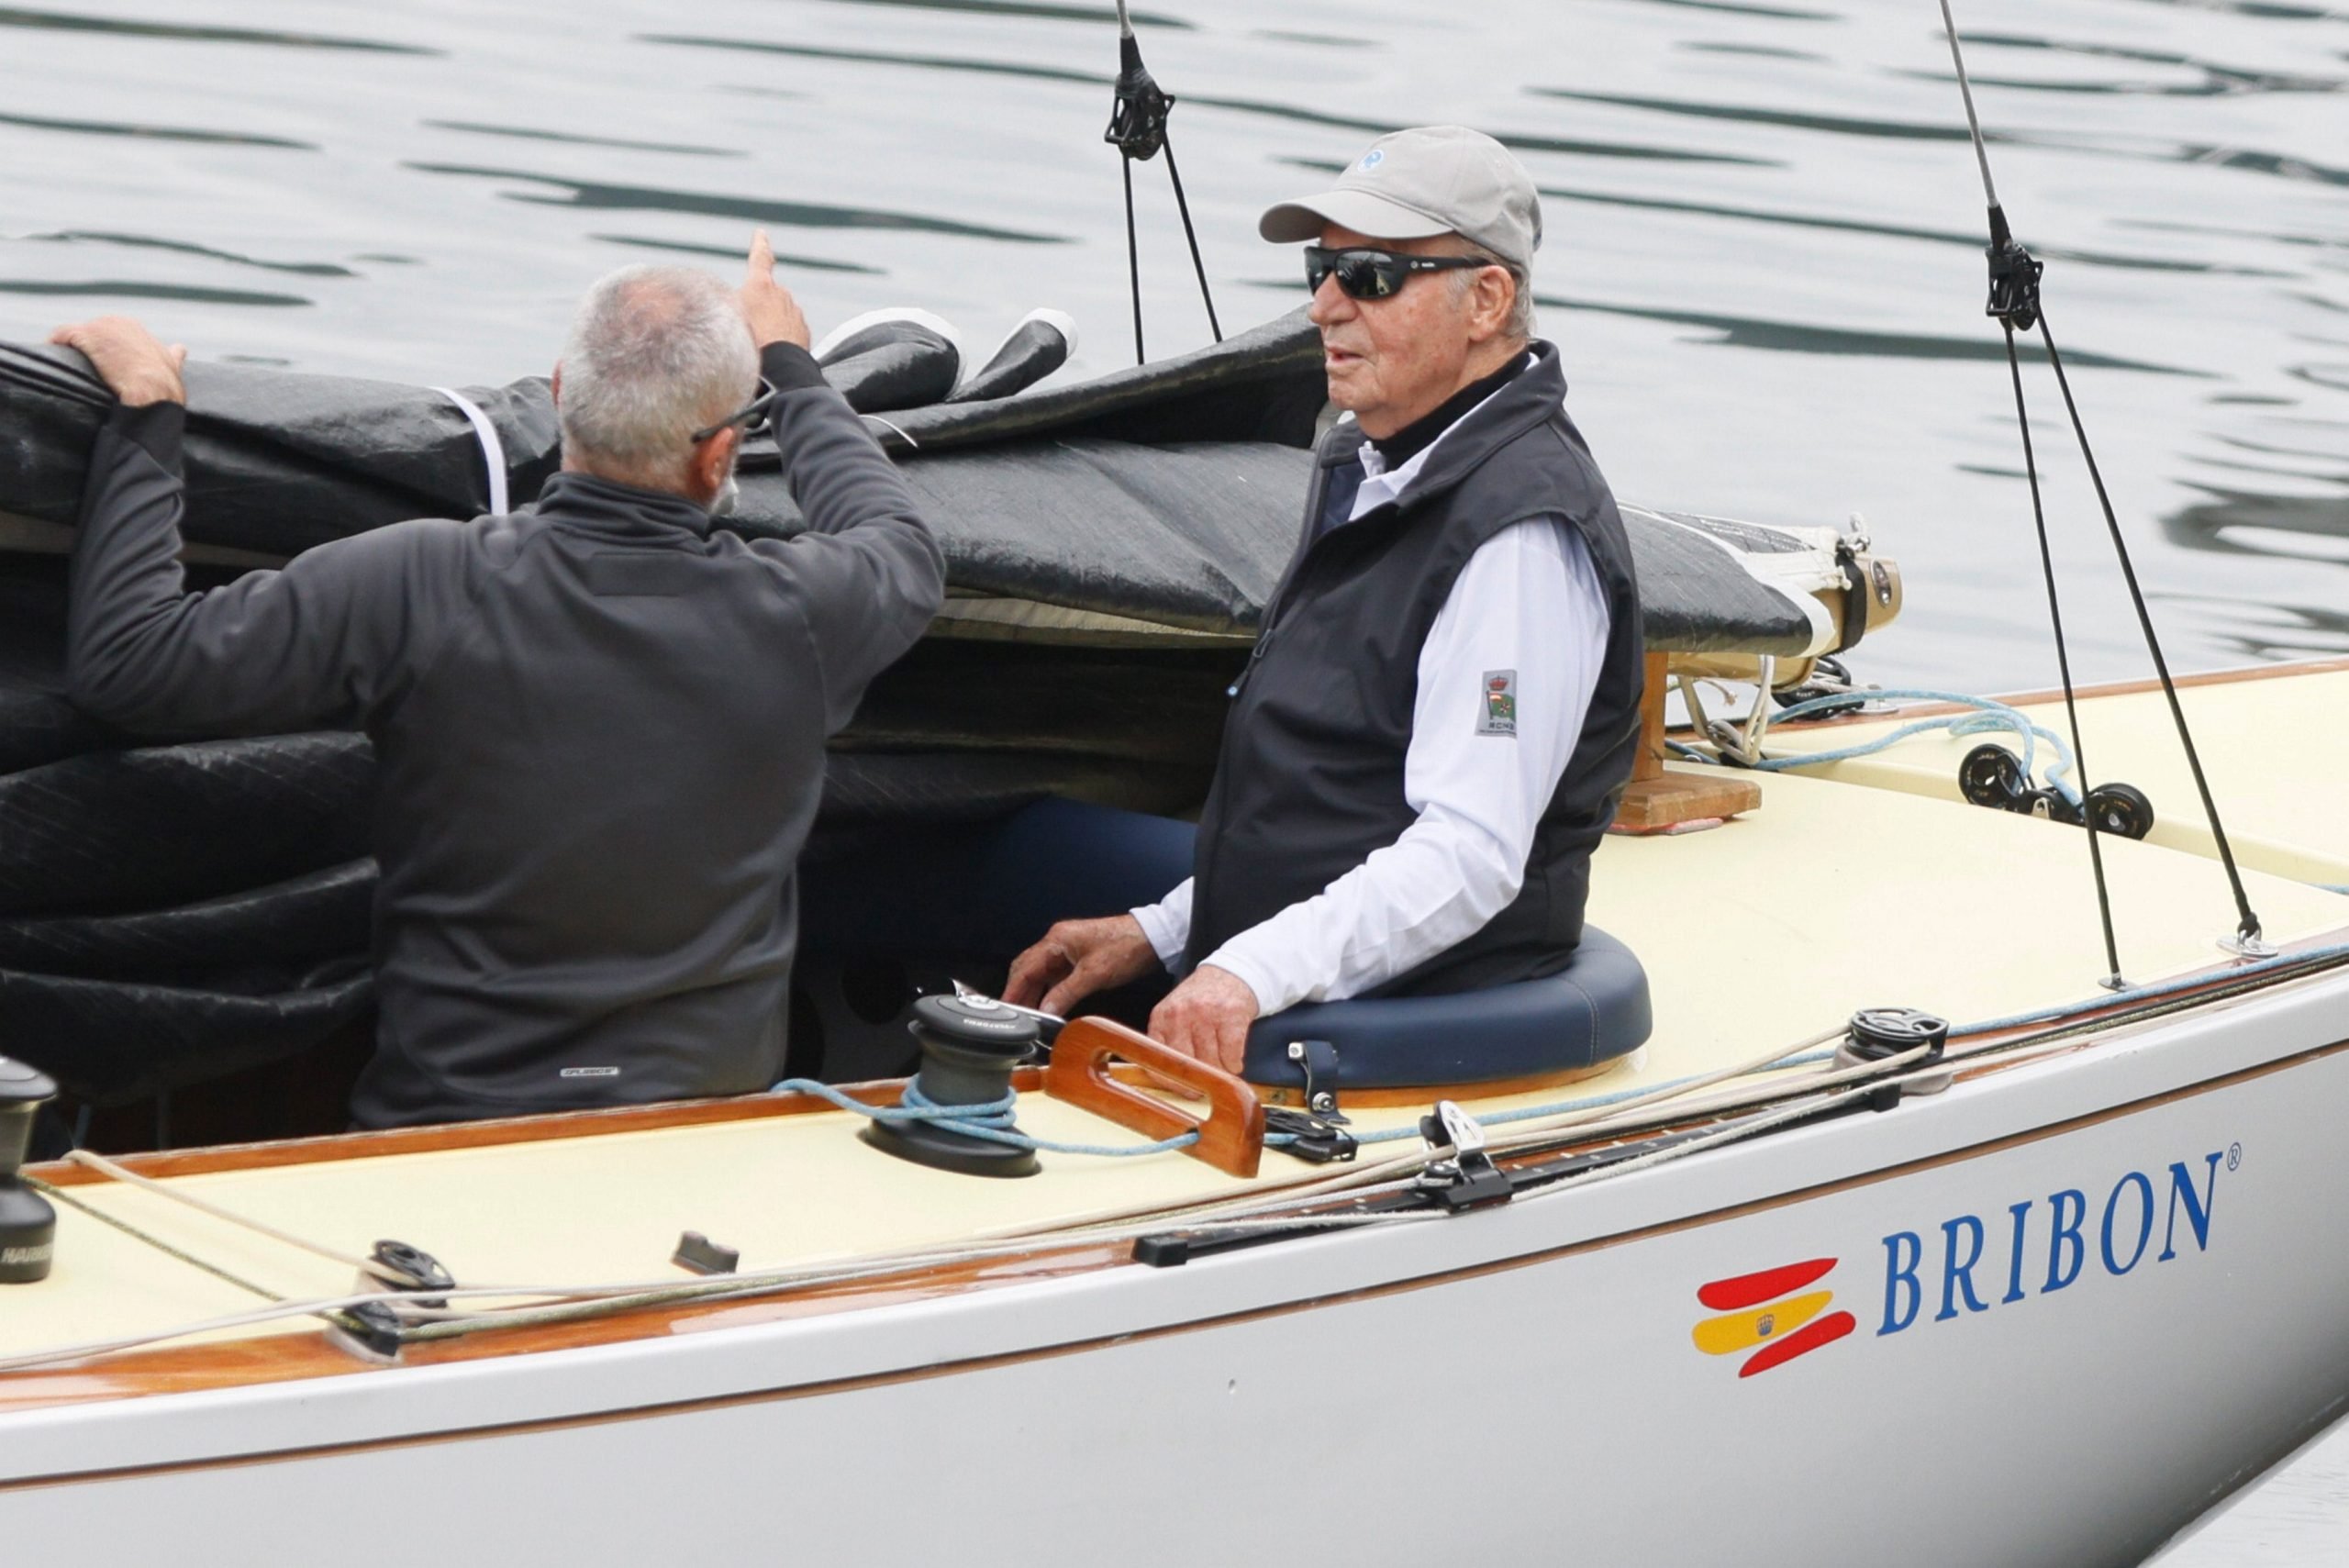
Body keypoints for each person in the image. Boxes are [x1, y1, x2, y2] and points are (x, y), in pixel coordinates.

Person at [52, 233, 946, 1127]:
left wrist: (146, 414)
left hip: (445, 1122)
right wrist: (790, 365)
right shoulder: (808, 609)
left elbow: (131, 663)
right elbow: (897, 538)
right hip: (702, 1130)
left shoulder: (414, 583)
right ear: (719, 458)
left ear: (562, 396)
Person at [1006, 126, 1645, 1074]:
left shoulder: (1518, 536)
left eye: (1370, 275)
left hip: (1403, 1033)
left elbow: (1468, 854)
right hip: (1305, 980)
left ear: (1488, 298)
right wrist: (1164, 930)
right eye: (1321, 267)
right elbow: (1333, 804)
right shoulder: (1371, 459)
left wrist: (1247, 972)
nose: (1322, 305)